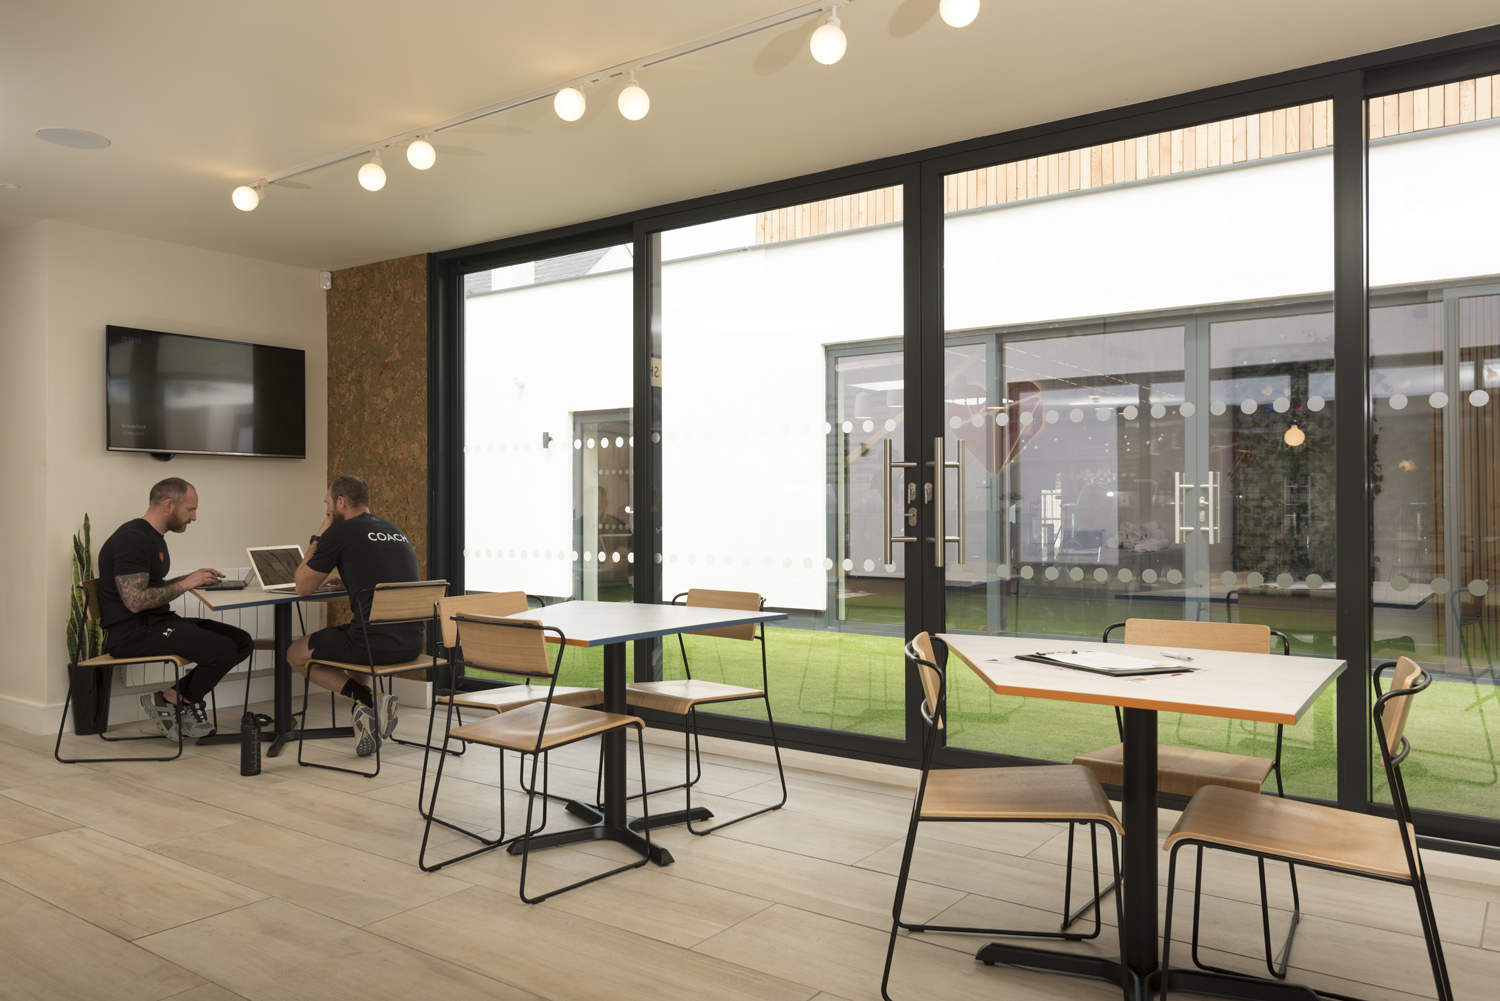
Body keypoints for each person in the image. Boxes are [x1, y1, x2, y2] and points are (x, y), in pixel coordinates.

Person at [98, 477, 253, 740]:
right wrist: (186, 584)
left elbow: (148, 587)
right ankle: (184, 702)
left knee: (240, 642)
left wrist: (186, 579)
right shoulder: (132, 539)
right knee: (222, 650)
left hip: (156, 622)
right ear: (169, 505)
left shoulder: (153, 537)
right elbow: (135, 602)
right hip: (131, 633)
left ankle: (172, 698)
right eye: (190, 509)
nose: (193, 517)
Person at [287, 475, 423, 757]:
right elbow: (383, 575)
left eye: (328, 503)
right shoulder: (395, 530)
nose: (327, 511)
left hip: (372, 647)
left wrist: (320, 534)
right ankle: (366, 724)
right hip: (412, 644)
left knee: (295, 654)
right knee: (359, 636)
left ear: (341, 501)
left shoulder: (340, 532)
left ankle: (370, 699)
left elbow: (302, 587)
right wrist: (349, 580)